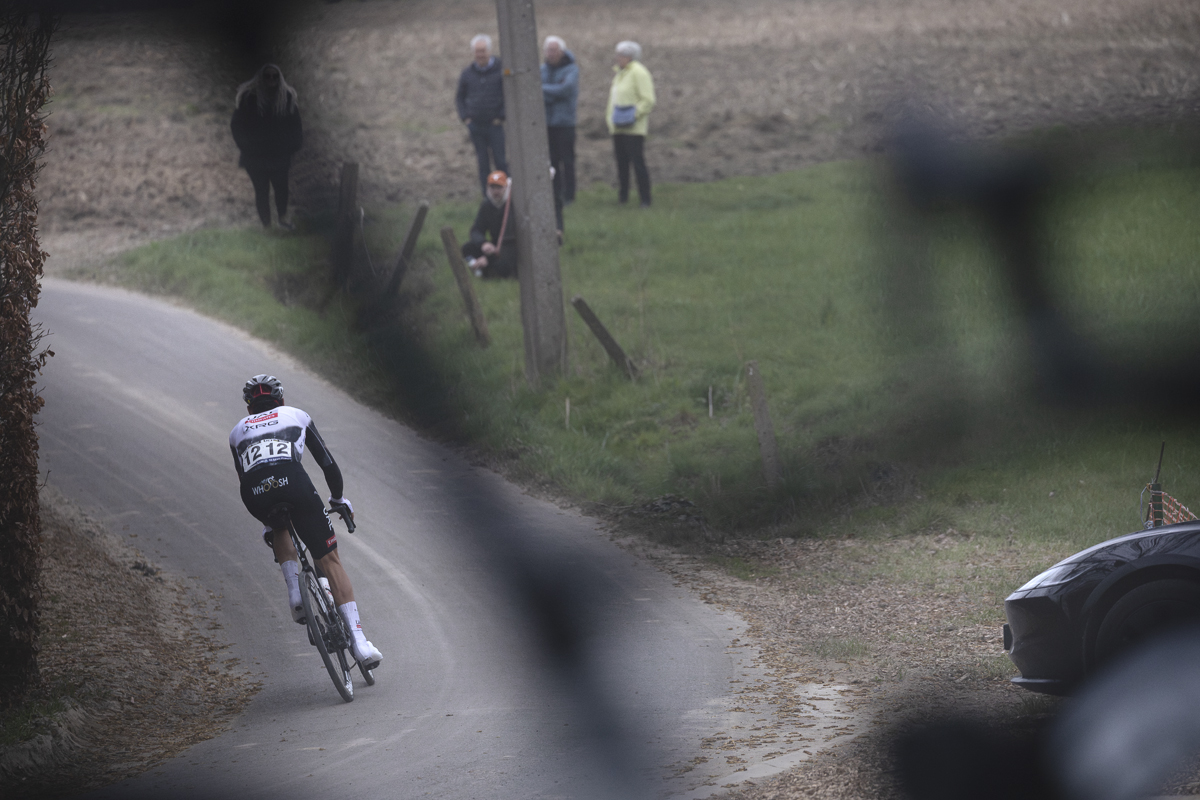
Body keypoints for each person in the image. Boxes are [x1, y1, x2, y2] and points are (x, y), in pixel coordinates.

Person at [229, 374, 383, 670]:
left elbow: (244, 475)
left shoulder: (237, 431)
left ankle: (294, 593)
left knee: (279, 526)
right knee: (329, 558)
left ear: (249, 409)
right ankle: (361, 645)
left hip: (255, 493)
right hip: (293, 482)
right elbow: (327, 463)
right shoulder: (296, 415)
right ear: (281, 401)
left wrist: (267, 522)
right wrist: (337, 499)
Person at [231, 64, 303, 229]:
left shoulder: (287, 99)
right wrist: (247, 146)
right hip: (255, 157)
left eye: (274, 76)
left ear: (280, 79)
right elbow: (236, 126)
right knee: (261, 191)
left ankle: (283, 219)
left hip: (279, 155)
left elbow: (296, 127)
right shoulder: (248, 99)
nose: (271, 80)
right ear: (261, 78)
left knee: (282, 188)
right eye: (267, 76)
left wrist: (291, 147)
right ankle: (267, 226)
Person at [456, 34, 508, 196]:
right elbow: (459, 97)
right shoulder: (467, 73)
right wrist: (465, 117)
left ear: (490, 51)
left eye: (483, 51)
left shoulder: (501, 70)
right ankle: (488, 196)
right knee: (483, 162)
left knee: (500, 160)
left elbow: (509, 95)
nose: (480, 54)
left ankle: (506, 193)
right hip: (476, 126)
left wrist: (502, 116)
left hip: (495, 125)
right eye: (477, 51)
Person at [605, 41, 656, 207]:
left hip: (634, 129)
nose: (618, 58)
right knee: (621, 164)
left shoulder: (639, 73)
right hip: (618, 127)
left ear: (630, 56)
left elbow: (648, 100)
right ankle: (623, 197)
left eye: (621, 55)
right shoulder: (620, 74)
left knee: (637, 163)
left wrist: (633, 115)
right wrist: (611, 119)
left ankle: (645, 199)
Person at [541, 35, 578, 206]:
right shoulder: (542, 70)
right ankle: (555, 194)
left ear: (561, 52)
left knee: (567, 160)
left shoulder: (571, 70)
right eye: (548, 50)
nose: (551, 53)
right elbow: (534, 90)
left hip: (565, 123)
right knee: (552, 162)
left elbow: (565, 90)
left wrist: (544, 91)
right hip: (547, 123)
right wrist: (551, 92)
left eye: (554, 50)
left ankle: (569, 195)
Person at [461, 170, 518, 279]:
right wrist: (484, 244)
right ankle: (478, 267)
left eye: (499, 187)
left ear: (506, 188)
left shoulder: (512, 206)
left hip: (510, 248)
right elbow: (476, 230)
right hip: (493, 246)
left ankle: (485, 270)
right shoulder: (486, 205)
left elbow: (512, 241)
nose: (496, 191)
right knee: (467, 248)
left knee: (503, 268)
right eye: (493, 188)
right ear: (488, 188)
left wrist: (489, 258)